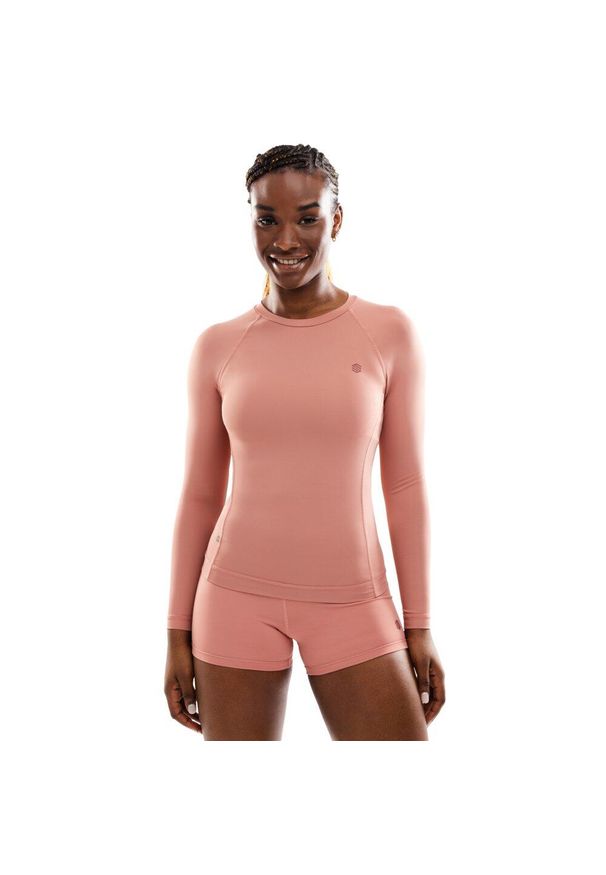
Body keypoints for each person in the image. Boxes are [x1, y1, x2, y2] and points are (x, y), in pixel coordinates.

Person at [164, 144, 445, 740]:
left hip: (353, 601)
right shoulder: (219, 346)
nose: (285, 239)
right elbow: (199, 496)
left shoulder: (387, 333)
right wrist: (175, 632)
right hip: (233, 598)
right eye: (267, 218)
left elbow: (405, 486)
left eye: (307, 218)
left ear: (336, 220)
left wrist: (418, 623)